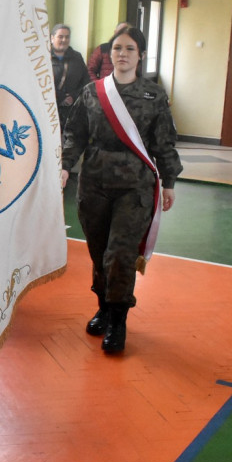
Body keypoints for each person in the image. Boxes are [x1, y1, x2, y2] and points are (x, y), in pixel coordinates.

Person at [60, 25, 182, 354]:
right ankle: (103, 305)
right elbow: (75, 134)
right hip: (95, 182)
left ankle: (118, 320)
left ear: (140, 55)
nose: (122, 54)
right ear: (108, 54)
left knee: (121, 256)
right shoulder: (92, 92)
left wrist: (169, 180)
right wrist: (64, 165)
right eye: (117, 49)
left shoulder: (153, 95)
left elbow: (164, 141)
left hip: (135, 187)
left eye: (129, 49)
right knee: (99, 254)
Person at [50, 23, 91, 134]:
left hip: (71, 111)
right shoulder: (43, 57)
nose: (64, 40)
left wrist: (73, 96)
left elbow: (86, 82)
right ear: (52, 38)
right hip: (50, 110)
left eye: (67, 37)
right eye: (60, 36)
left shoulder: (77, 57)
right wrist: (60, 97)